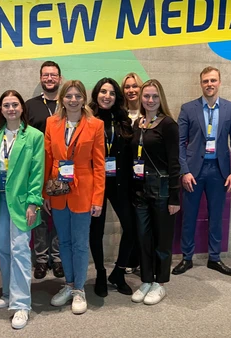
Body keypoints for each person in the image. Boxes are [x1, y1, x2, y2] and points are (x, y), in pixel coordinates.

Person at [0, 90, 44, 329]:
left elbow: (37, 172)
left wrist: (34, 202)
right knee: (2, 248)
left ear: (22, 108)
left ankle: (21, 304)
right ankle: (7, 292)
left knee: (20, 251)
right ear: (1, 109)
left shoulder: (34, 136)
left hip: (22, 202)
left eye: (15, 104)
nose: (11, 108)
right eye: (6, 105)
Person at [174, 66, 231, 277]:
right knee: (189, 216)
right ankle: (187, 257)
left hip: (219, 171)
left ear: (219, 82)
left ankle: (215, 258)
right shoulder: (188, 108)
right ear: (201, 83)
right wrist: (184, 171)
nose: (209, 84)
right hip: (194, 172)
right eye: (205, 81)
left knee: (216, 216)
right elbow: (179, 142)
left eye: (213, 80)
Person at [44, 80, 105, 314]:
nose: (73, 100)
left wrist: (98, 198)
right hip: (58, 190)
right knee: (64, 242)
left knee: (80, 243)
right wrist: (45, 193)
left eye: (77, 96)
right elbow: (48, 159)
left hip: (83, 191)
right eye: (68, 96)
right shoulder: (52, 122)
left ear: (83, 99)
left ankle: (79, 289)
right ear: (62, 99)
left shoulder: (95, 125)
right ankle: (68, 284)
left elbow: (99, 165)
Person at [130, 79, 180, 305]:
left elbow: (174, 162)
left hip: (161, 189)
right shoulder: (138, 123)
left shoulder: (168, 125)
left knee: (162, 239)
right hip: (140, 189)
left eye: (154, 97)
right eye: (146, 96)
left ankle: (160, 283)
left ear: (161, 99)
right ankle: (147, 279)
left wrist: (174, 197)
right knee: (143, 237)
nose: (150, 100)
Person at [88, 78, 136, 297]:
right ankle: (99, 272)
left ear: (117, 97)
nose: (107, 96)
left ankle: (118, 272)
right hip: (95, 183)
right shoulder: (87, 118)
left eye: (112, 93)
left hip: (119, 182)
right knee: (96, 231)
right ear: (96, 94)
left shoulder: (123, 119)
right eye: (103, 92)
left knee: (131, 227)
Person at [26, 61, 64, 279]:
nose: (50, 78)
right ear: (41, 78)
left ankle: (57, 257)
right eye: (46, 75)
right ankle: (41, 259)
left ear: (60, 78)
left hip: (61, 169)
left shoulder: (68, 104)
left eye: (54, 75)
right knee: (39, 214)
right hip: (36, 168)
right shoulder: (30, 105)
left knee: (58, 213)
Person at [121, 72, 144, 273]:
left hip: (145, 175)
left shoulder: (150, 113)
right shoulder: (120, 114)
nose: (131, 90)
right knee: (129, 220)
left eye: (135, 86)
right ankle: (130, 258)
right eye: (127, 87)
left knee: (143, 218)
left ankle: (142, 259)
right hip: (124, 176)